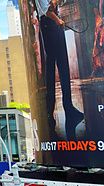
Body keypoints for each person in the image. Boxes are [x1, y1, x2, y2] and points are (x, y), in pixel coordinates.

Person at [36, 0, 84, 140]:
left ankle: (56, 112)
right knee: (60, 66)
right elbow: (46, 9)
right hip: (50, 23)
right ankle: (61, 111)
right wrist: (58, 20)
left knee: (55, 67)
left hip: (50, 24)